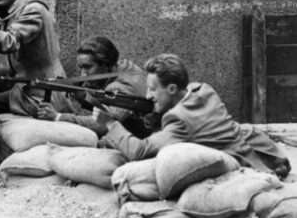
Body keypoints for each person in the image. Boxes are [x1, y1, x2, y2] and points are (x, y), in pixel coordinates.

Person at [93, 53, 291, 178]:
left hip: (244, 168)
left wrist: (109, 123)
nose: (147, 95)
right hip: (259, 152)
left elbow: (139, 151)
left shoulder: (177, 120)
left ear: (172, 88)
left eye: (153, 89)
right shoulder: (202, 89)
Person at [0, 0, 66, 115]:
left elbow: (8, 43)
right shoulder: (14, 8)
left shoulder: (32, 10)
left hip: (41, 89)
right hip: (24, 77)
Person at [35, 36, 151, 138]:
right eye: (81, 67)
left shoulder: (119, 87)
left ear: (107, 65)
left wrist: (58, 116)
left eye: (87, 67)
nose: (83, 74)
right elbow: (109, 109)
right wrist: (84, 97)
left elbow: (104, 124)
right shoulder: (124, 66)